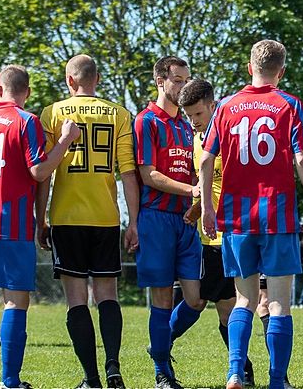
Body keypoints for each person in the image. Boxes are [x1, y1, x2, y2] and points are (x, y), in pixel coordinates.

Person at [200, 39, 303, 389]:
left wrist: (207, 207)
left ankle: (235, 372)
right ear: (281, 71)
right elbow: (302, 158)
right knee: (279, 303)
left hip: (236, 218)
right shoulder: (289, 104)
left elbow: (206, 159)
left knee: (244, 299)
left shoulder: (225, 106)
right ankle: (277, 381)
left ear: (249, 67)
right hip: (277, 216)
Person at [0, 65, 80, 389]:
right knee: (15, 301)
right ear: (26, 92)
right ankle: (10, 381)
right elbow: (39, 171)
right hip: (10, 224)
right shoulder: (26, 121)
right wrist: (66, 139)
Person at [37, 55, 138, 389]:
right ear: (98, 78)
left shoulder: (52, 113)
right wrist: (133, 222)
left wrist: (40, 219)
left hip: (66, 217)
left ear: (70, 80)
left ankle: (91, 379)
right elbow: (128, 173)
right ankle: (113, 367)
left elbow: (44, 173)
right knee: (108, 295)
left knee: (76, 300)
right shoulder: (119, 114)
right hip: (106, 216)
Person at [174, 79, 256, 385]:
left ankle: (160, 345)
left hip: (232, 233)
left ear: (213, 105)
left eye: (198, 113)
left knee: (198, 300)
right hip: (209, 235)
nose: (194, 121)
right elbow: (208, 184)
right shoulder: (198, 139)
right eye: (189, 116)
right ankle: (243, 370)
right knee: (225, 309)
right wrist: (197, 210)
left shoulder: (231, 134)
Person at [133, 56, 200, 389]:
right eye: (178, 80)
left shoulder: (187, 126)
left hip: (186, 220)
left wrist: (199, 199)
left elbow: (194, 171)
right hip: (156, 219)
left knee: (196, 299)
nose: (184, 86)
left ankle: (159, 345)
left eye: (187, 79)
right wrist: (192, 190)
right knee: (161, 298)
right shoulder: (146, 121)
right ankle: (163, 372)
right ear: (160, 81)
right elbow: (149, 175)